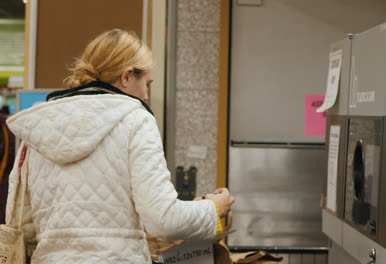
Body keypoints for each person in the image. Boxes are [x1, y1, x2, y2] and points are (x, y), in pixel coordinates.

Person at [5, 29, 234, 264]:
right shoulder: (136, 120)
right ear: (126, 77)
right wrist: (214, 208)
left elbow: (22, 226)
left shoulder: (39, 127)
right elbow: (164, 220)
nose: (146, 95)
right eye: (147, 83)